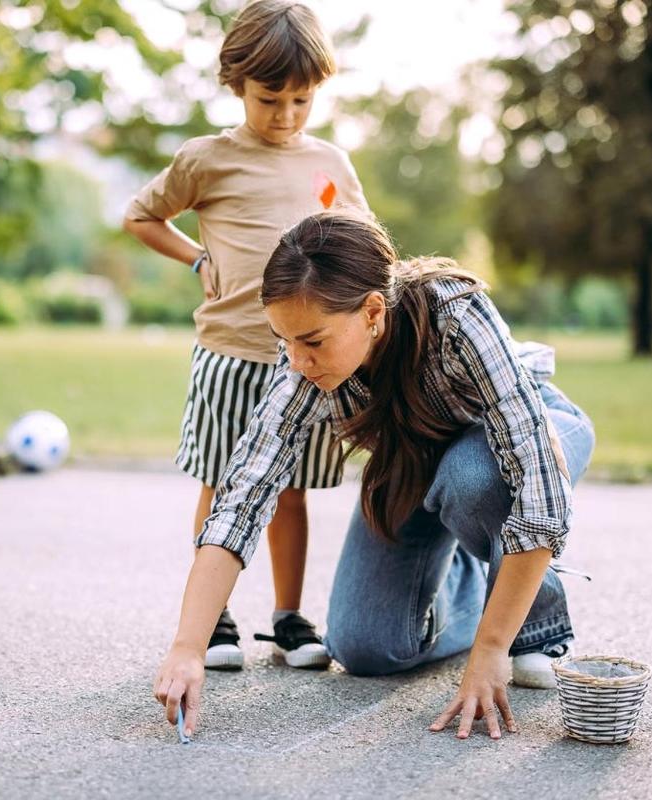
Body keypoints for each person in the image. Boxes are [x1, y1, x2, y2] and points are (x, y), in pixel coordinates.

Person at [153, 211, 596, 741]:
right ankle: (489, 581)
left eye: (313, 341)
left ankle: (532, 628)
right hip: (415, 460)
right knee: (366, 647)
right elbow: (242, 498)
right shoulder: (300, 368)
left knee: (472, 479)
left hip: (526, 438)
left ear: (372, 311)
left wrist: (490, 651)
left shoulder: (457, 315)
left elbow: (540, 487)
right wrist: (187, 647)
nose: (297, 361)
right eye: (285, 341)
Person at [124, 0, 370, 671]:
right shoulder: (206, 160)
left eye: (301, 100)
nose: (286, 116)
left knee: (286, 491)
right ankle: (215, 620)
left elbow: (361, 242)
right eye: (270, 100)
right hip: (230, 356)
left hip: (305, 362)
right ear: (237, 84)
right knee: (221, 482)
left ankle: (288, 618)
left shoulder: (330, 165)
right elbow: (142, 218)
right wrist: (197, 258)